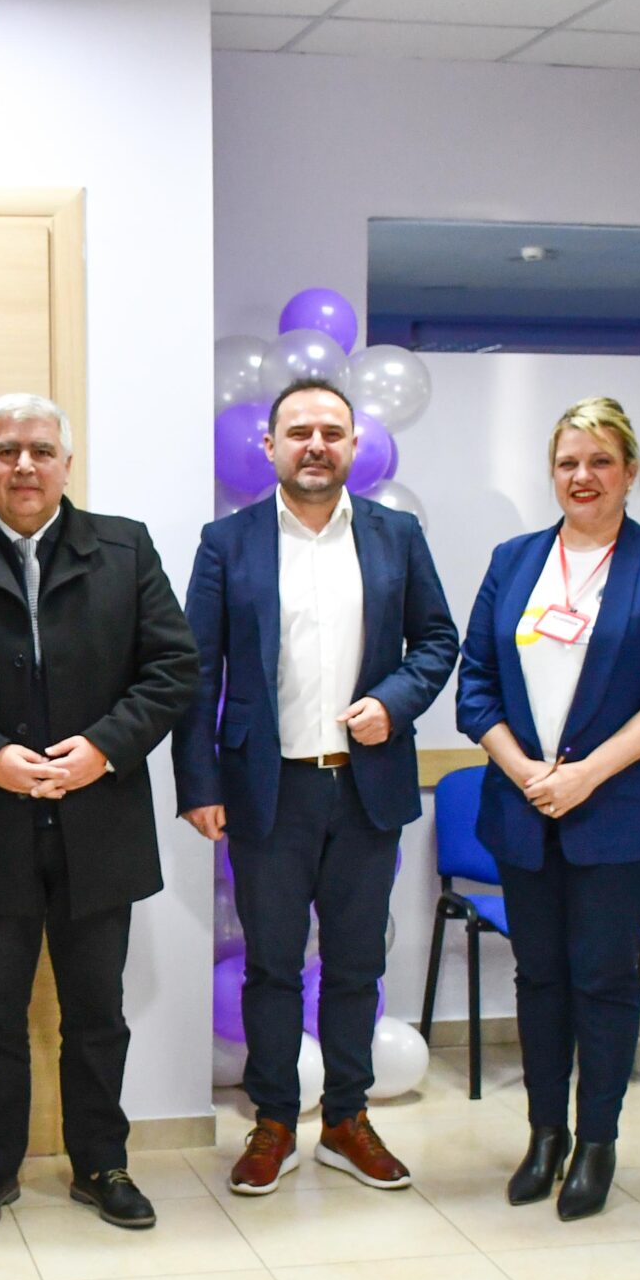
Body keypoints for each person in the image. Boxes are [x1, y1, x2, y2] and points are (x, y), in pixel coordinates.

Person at [0, 394, 197, 1233]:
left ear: (67, 463)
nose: (25, 465)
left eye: (42, 450)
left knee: (97, 1015)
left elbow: (172, 667)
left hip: (101, 824)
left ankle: (102, 1163)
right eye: (8, 450)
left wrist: (103, 748)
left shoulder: (125, 549)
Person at [173, 379, 459, 1197]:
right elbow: (196, 669)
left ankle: (345, 1118)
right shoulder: (228, 542)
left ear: (354, 447)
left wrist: (394, 701)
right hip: (267, 792)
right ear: (270, 446)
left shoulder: (396, 535)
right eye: (299, 431)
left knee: (356, 965)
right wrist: (199, 783)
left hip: (366, 789)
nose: (316, 445)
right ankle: (272, 1121)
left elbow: (437, 641)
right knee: (270, 967)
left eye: (332, 432)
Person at [457, 397, 640, 1221]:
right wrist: (529, 771)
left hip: (620, 812)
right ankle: (545, 1133)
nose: (583, 476)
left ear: (630, 471)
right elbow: (475, 685)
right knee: (539, 977)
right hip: (523, 806)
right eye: (568, 462)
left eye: (601, 460)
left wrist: (585, 776)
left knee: (603, 978)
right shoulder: (516, 559)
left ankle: (597, 1139)